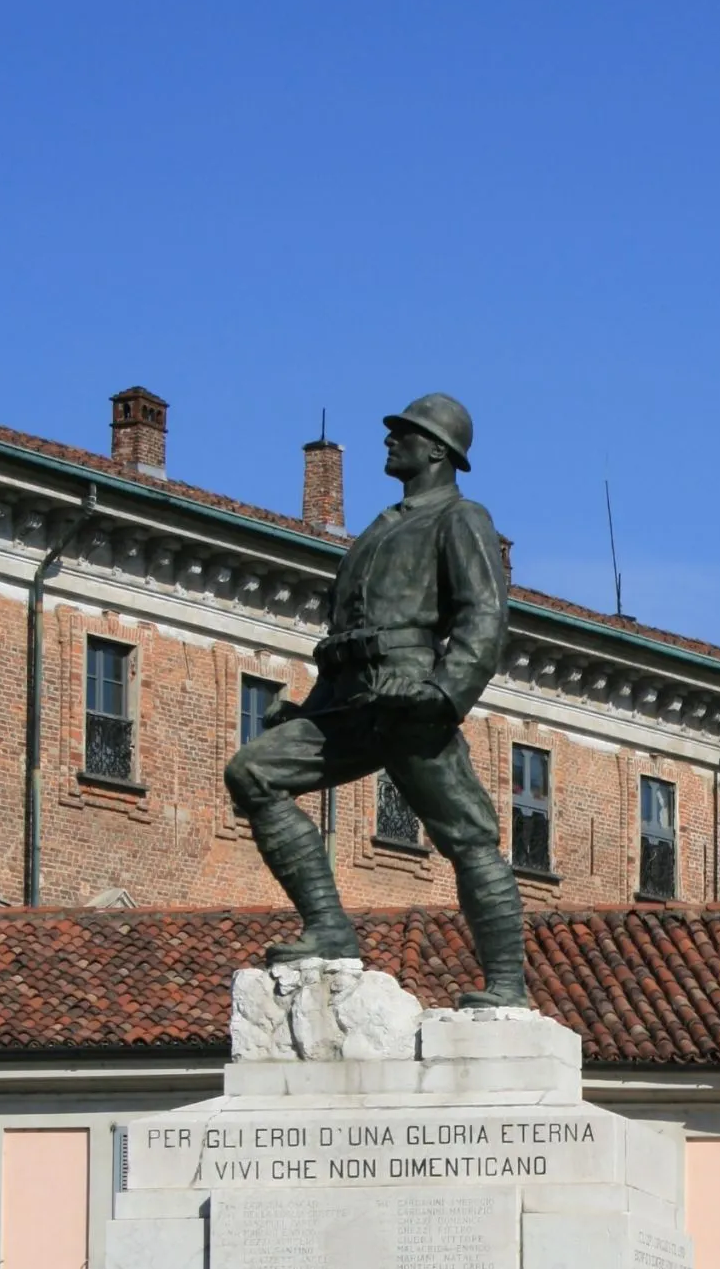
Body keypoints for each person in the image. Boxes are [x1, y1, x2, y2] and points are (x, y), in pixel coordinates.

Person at [225, 392, 526, 1002]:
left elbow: (485, 619)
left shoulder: (461, 518)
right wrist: (310, 708)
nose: (390, 441)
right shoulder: (383, 527)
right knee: (253, 773)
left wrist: (442, 693)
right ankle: (330, 928)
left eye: (403, 433)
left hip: (410, 699)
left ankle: (507, 986)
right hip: (348, 701)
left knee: (467, 838)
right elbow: (350, 636)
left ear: (436, 449)